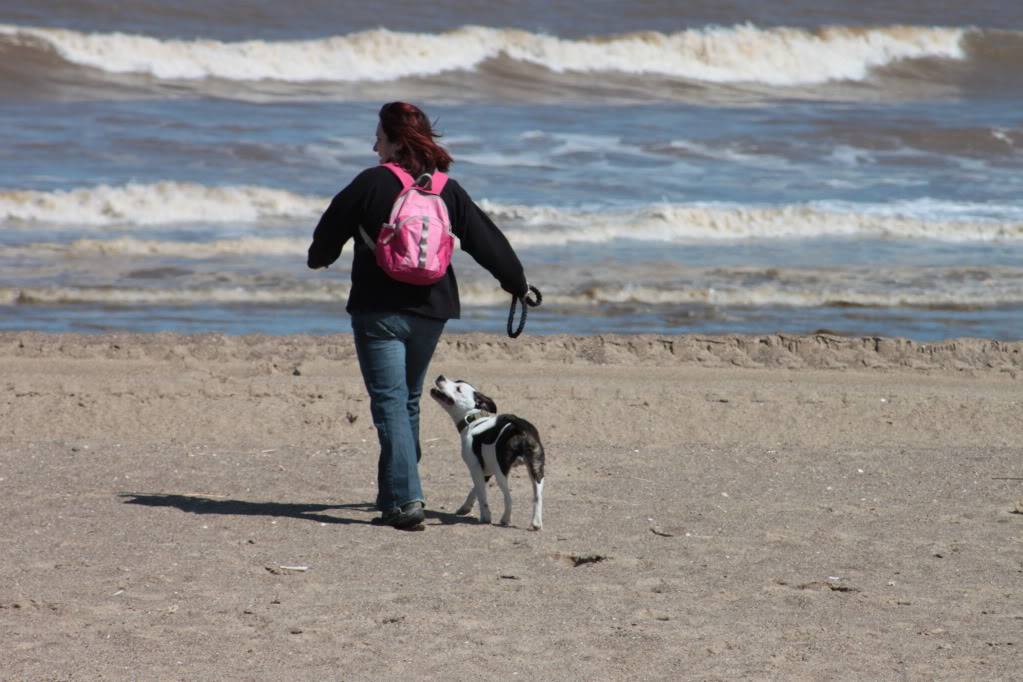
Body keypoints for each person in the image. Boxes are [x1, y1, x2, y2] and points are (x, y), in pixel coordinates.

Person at [307, 102, 529, 529]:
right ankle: (394, 492)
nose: (374, 144)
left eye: (379, 136)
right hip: (433, 309)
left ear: (394, 140)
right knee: (405, 400)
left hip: (378, 310)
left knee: (391, 402)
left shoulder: (370, 183)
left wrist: (321, 258)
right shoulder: (446, 188)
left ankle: (406, 500)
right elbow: (486, 240)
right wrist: (517, 284)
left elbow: (327, 233)